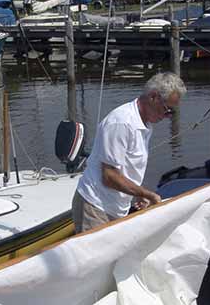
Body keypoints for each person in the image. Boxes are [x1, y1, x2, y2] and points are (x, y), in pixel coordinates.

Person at [72, 72, 186, 234]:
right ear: (153, 97)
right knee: (98, 259)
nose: (168, 116)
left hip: (117, 207)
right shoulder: (121, 123)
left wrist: (137, 194)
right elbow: (109, 176)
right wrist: (147, 194)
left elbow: (127, 167)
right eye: (167, 110)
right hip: (95, 207)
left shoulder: (145, 123)